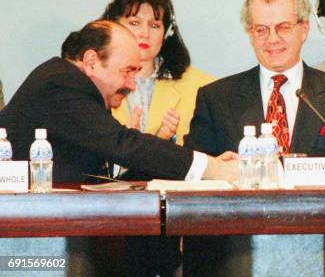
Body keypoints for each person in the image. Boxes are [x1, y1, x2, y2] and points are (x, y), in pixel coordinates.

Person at [182, 0, 325, 276]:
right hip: (237, 255)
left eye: (283, 27)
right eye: (261, 29)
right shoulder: (216, 98)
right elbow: (194, 184)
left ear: (304, 29)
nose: (272, 39)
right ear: (250, 33)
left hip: (323, 249)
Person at [0, 20, 238, 183]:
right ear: (92, 61)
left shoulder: (78, 85)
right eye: (127, 71)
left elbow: (108, 168)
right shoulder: (62, 84)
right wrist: (214, 168)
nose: (132, 85)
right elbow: (123, 145)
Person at [102, 0, 215, 149]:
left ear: (167, 33)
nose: (144, 33)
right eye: (134, 23)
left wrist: (165, 142)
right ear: (113, 26)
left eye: (154, 25)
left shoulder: (204, 87)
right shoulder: (94, 81)